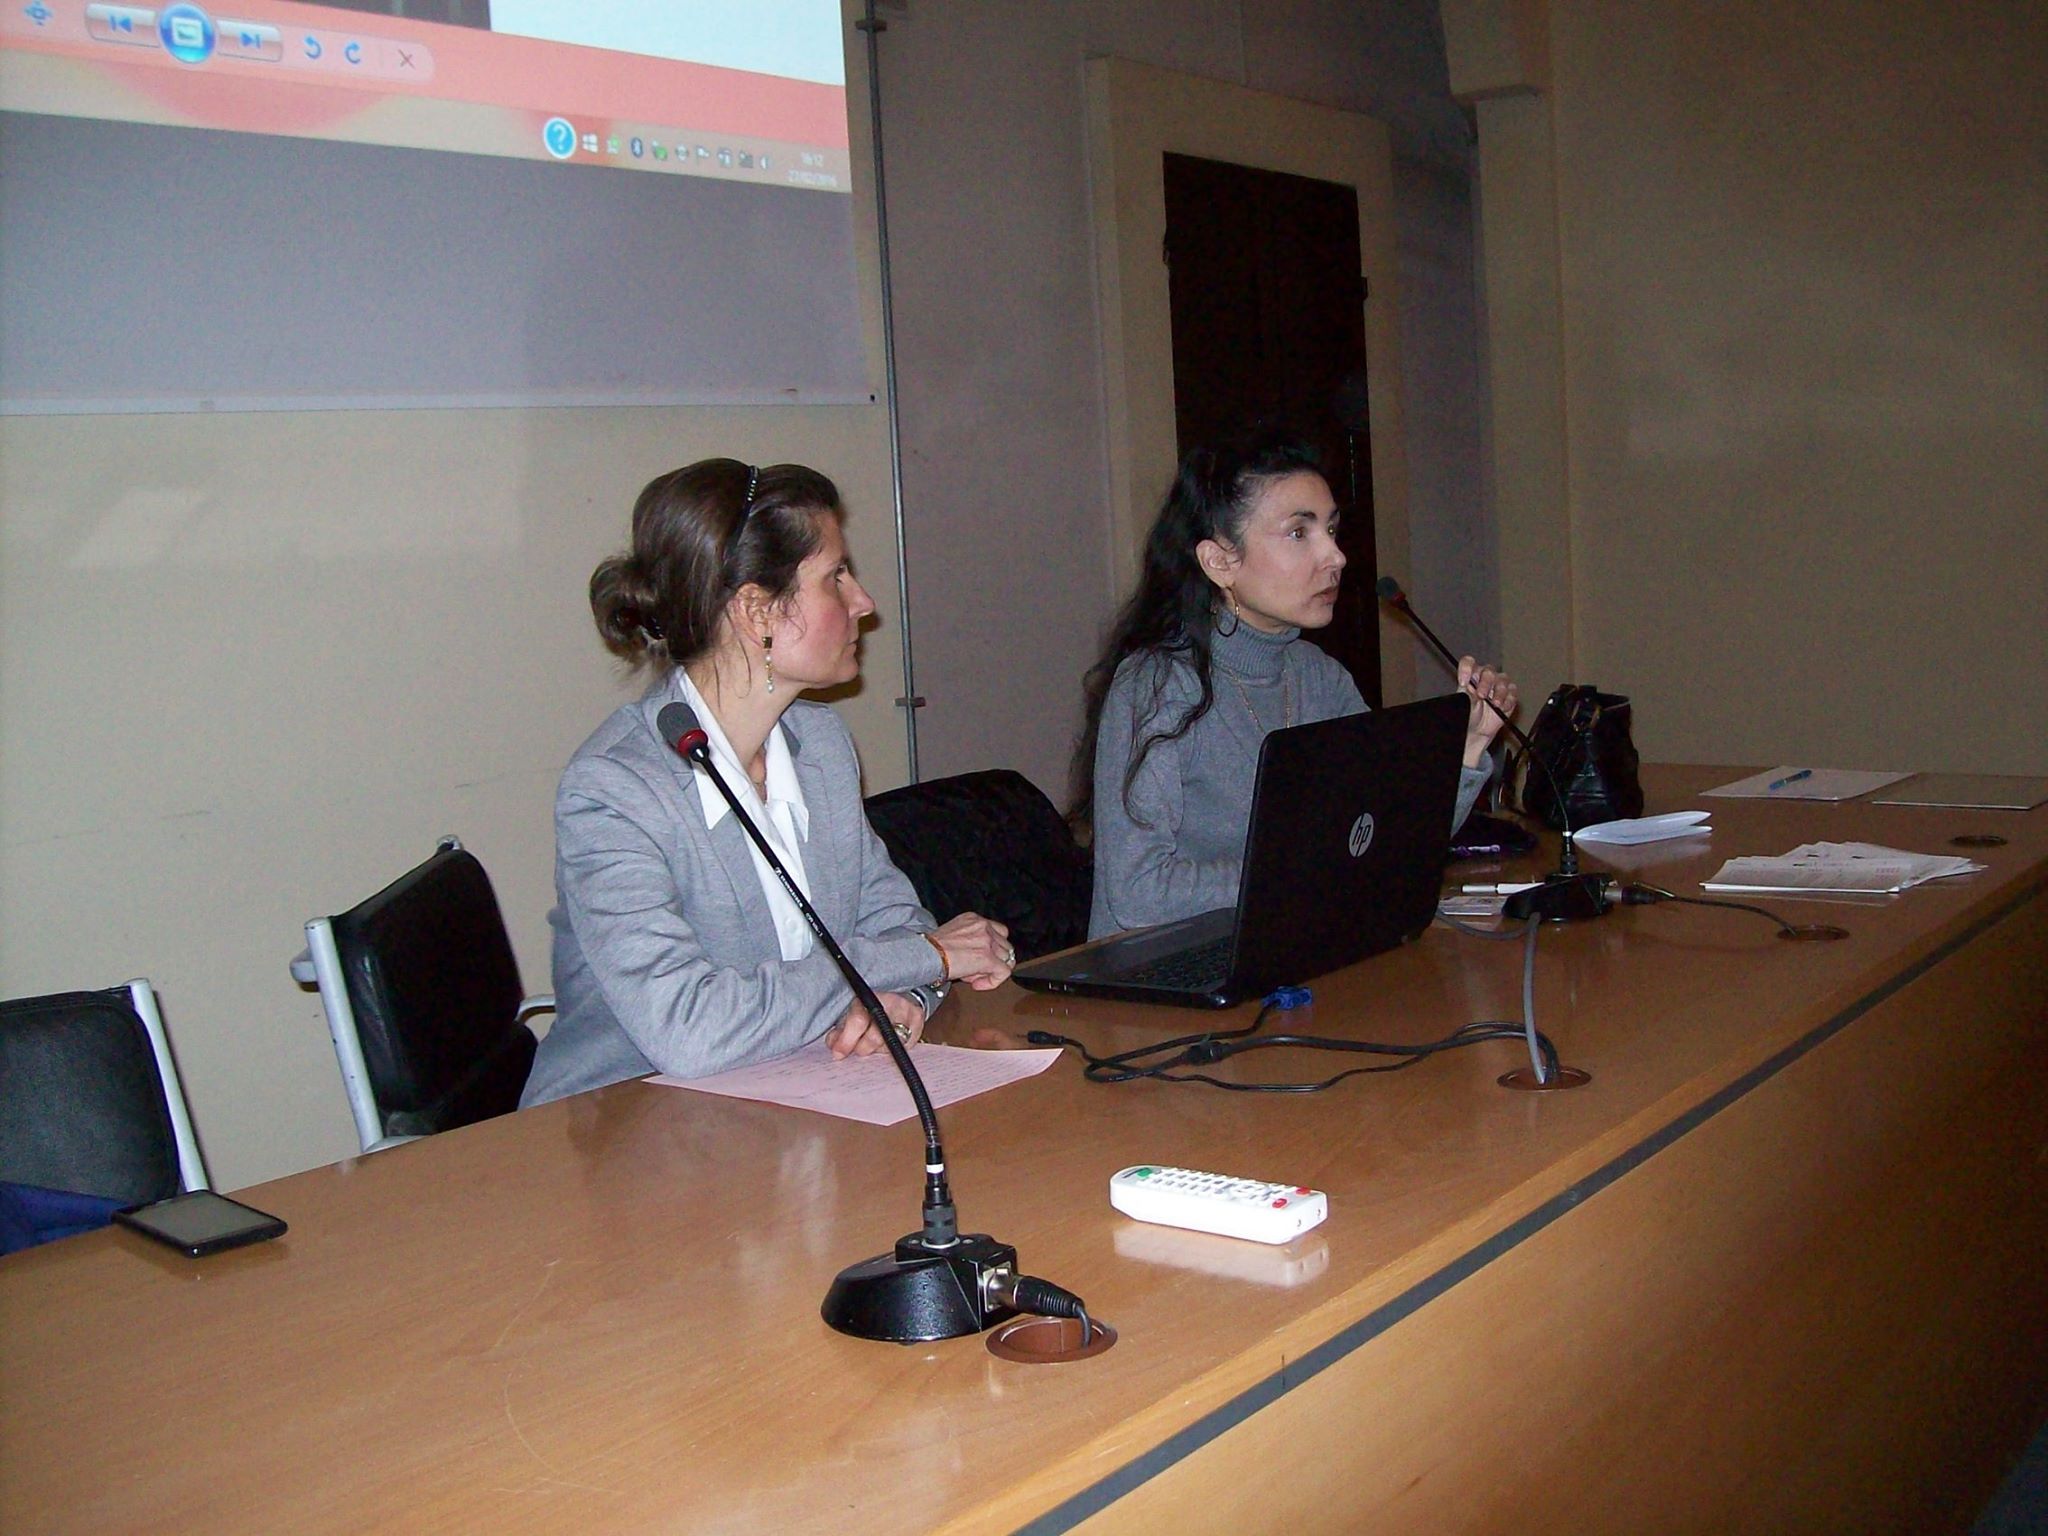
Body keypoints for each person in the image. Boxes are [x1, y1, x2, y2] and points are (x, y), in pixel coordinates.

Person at [521, 459, 1014, 1108]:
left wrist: (901, 1000)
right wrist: (922, 960)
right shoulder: (614, 790)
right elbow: (690, 1030)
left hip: (788, 1106)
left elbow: (894, 921)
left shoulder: (821, 746)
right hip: (622, 1127)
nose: (863, 602)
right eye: (836, 576)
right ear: (758, 611)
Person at [1074, 429, 1518, 940]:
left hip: (1285, 949)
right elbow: (1138, 894)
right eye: (1299, 533)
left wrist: (1468, 749)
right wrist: (1304, 872)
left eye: (1331, 529)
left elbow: (1388, 842)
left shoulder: (1320, 677)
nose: (1336, 556)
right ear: (1220, 561)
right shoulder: (1156, 685)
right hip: (1165, 969)